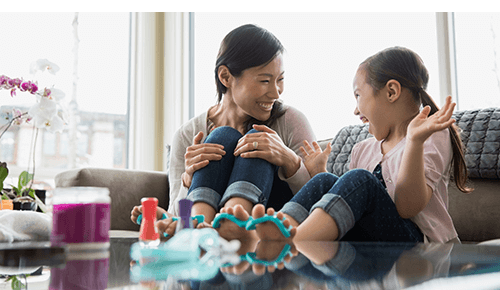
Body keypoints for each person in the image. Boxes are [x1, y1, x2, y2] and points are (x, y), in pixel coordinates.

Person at [221, 46, 472, 243]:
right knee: (325, 181)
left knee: (359, 180)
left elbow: (407, 207)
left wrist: (415, 142)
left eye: (358, 96)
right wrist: (319, 173)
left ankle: (292, 242)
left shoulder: (430, 134)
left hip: (420, 249)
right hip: (367, 243)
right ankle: (269, 232)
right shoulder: (363, 149)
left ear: (391, 92)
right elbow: (345, 205)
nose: (355, 110)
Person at [130, 24, 315, 238]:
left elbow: (319, 198)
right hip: (201, 231)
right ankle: (204, 229)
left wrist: (289, 160)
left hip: (265, 226)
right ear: (225, 77)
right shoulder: (187, 135)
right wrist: (188, 178)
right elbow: (175, 213)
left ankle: (234, 223)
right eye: (265, 80)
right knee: (221, 137)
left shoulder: (290, 120)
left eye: (280, 79)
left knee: (255, 139)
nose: (276, 92)